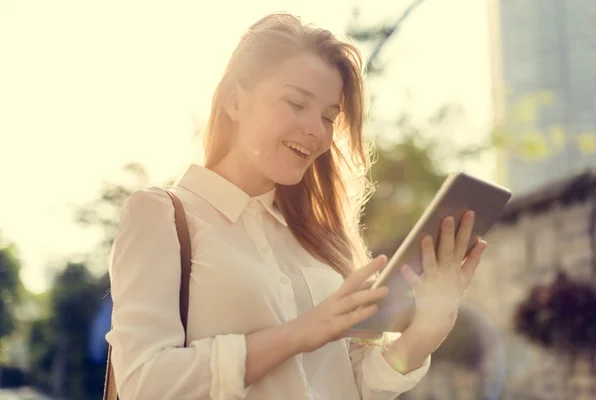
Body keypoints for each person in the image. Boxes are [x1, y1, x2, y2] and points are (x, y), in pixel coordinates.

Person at [106, 12, 487, 400]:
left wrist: (426, 334)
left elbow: (354, 385)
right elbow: (145, 383)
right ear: (236, 101)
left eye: (328, 117)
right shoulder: (161, 215)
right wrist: (300, 333)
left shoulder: (317, 238)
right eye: (296, 103)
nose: (317, 131)